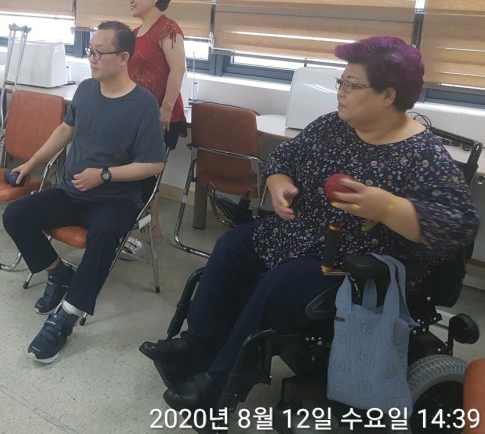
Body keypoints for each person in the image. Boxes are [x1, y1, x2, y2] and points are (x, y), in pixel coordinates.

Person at [139, 36, 480, 411]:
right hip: (298, 234)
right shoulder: (332, 126)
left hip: (353, 263)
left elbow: (459, 227)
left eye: (352, 85)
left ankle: (218, 387)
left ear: (388, 95)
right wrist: (279, 182)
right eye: (341, 82)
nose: (341, 92)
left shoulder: (422, 155)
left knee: (279, 284)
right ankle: (196, 346)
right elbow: (283, 157)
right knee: (232, 246)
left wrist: (385, 206)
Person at [3, 21, 167, 364]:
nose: (92, 58)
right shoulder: (86, 90)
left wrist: (104, 176)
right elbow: (65, 130)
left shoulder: (143, 105)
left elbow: (153, 164)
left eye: (99, 52)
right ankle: (60, 274)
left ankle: (66, 317)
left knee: (103, 236)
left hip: (115, 199)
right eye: (90, 51)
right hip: (70, 191)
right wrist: (30, 163)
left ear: (123, 57)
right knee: (16, 215)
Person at [124, 0, 187, 252]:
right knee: (134, 173)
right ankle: (142, 225)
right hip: (135, 117)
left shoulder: (167, 29)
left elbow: (177, 70)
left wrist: (166, 109)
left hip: (161, 117)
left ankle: (151, 229)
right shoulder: (134, 33)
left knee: (147, 174)